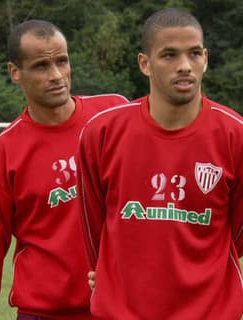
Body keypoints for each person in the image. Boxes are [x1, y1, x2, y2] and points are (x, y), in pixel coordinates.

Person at [76, 8, 243, 320]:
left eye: (194, 54)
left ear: (205, 59)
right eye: (169, 55)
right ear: (145, 64)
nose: (184, 66)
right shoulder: (102, 133)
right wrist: (112, 276)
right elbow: (93, 228)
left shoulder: (236, 136)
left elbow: (236, 235)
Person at [0, 19, 129, 320]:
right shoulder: (2, 153)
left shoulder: (113, 116)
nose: (56, 76)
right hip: (44, 313)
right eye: (41, 66)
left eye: (62, 61)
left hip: (120, 308)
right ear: (15, 72)